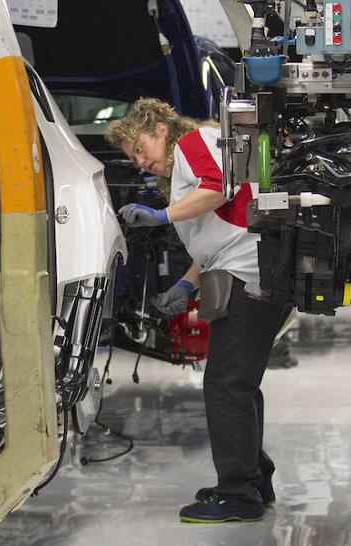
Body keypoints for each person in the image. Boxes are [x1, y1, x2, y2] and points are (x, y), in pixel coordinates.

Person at [105, 98, 290, 525]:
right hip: (240, 270)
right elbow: (214, 231)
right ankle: (254, 481)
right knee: (237, 383)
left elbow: (218, 188)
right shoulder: (185, 160)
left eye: (139, 148)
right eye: (132, 157)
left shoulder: (194, 140)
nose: (140, 162)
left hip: (252, 274)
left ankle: (237, 494)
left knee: (226, 385)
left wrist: (161, 215)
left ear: (159, 128)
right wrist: (188, 282)